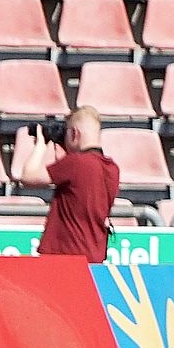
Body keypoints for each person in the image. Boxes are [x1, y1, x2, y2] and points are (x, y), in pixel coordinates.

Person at [20, 107, 119, 263]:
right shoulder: (112, 168)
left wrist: (40, 145)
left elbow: (28, 176)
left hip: (64, 256)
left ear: (74, 133)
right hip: (95, 256)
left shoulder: (76, 163)